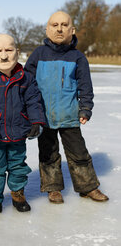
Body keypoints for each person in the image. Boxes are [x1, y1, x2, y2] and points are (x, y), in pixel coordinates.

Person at [25, 11, 109, 204]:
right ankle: (53, 189)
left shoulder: (77, 57)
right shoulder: (38, 55)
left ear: (72, 30)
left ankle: (88, 187)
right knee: (48, 154)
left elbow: (85, 87)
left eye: (64, 25)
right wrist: (28, 111)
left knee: (78, 153)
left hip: (69, 115)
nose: (59, 29)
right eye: (54, 25)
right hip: (43, 116)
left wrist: (85, 108)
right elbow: (27, 83)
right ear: (47, 30)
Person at [0, 33, 46, 213]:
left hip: (19, 134)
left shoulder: (26, 78)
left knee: (18, 167)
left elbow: (34, 101)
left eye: (8, 50)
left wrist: (37, 122)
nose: (3, 55)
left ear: (17, 52)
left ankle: (18, 196)